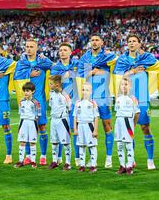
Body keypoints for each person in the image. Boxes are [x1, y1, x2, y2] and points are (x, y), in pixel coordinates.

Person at [113, 34, 159, 170]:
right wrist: (132, 71)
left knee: (145, 127)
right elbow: (118, 77)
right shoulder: (122, 60)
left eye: (134, 41)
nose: (131, 43)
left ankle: (150, 160)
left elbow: (157, 66)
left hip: (142, 98)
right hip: (127, 99)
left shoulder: (146, 58)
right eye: (129, 41)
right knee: (130, 129)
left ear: (139, 43)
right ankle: (131, 159)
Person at [76, 34, 116, 169]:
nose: (94, 42)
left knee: (107, 126)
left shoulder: (108, 56)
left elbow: (113, 71)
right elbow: (83, 76)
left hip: (103, 96)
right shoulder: (85, 58)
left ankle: (109, 158)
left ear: (102, 42)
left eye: (97, 40)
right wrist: (93, 72)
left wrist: (102, 72)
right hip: (89, 97)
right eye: (92, 40)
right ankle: (91, 159)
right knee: (88, 128)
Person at [13, 39, 53, 166]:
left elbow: (54, 66)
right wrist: (29, 73)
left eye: (31, 47)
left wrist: (46, 59)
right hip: (25, 100)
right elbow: (16, 77)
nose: (29, 49)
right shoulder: (21, 63)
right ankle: (29, 156)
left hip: (39, 99)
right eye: (27, 46)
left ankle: (43, 155)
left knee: (41, 127)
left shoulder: (42, 62)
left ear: (37, 49)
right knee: (27, 127)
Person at [50, 43, 80, 166]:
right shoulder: (56, 67)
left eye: (65, 50)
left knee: (75, 130)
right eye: (60, 50)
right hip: (61, 103)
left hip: (75, 102)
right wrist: (65, 76)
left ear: (70, 52)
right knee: (58, 132)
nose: (62, 52)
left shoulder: (76, 64)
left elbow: (85, 73)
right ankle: (58, 158)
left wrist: (71, 74)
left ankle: (78, 158)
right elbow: (53, 81)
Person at [114, 76, 140, 175]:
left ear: (130, 86)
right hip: (119, 123)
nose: (124, 86)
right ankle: (122, 166)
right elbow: (117, 112)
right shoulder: (118, 98)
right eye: (122, 84)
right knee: (119, 145)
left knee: (129, 145)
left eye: (126, 84)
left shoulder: (133, 99)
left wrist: (133, 124)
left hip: (128, 122)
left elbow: (137, 113)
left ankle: (129, 166)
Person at [48, 74, 72, 170]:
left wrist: (63, 115)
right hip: (53, 119)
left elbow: (69, 107)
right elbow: (51, 105)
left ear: (57, 84)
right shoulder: (51, 94)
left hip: (62, 120)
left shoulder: (65, 95)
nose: (49, 85)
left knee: (65, 142)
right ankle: (55, 161)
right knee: (54, 142)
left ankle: (68, 163)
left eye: (51, 84)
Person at [73, 82, 99, 173]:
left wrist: (95, 130)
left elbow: (96, 117)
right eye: (83, 90)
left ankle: (93, 165)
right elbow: (75, 116)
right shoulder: (78, 103)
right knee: (81, 145)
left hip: (89, 125)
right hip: (80, 126)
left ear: (91, 92)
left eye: (87, 90)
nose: (84, 92)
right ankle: (82, 165)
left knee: (92, 146)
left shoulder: (93, 103)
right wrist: (75, 128)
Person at [14, 82, 41, 169]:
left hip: (32, 122)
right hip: (23, 122)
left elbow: (38, 114)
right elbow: (20, 113)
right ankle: (20, 161)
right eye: (25, 91)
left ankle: (33, 161)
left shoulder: (36, 102)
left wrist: (35, 122)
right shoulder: (21, 101)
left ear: (33, 91)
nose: (26, 93)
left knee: (32, 143)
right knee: (22, 142)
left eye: (28, 91)